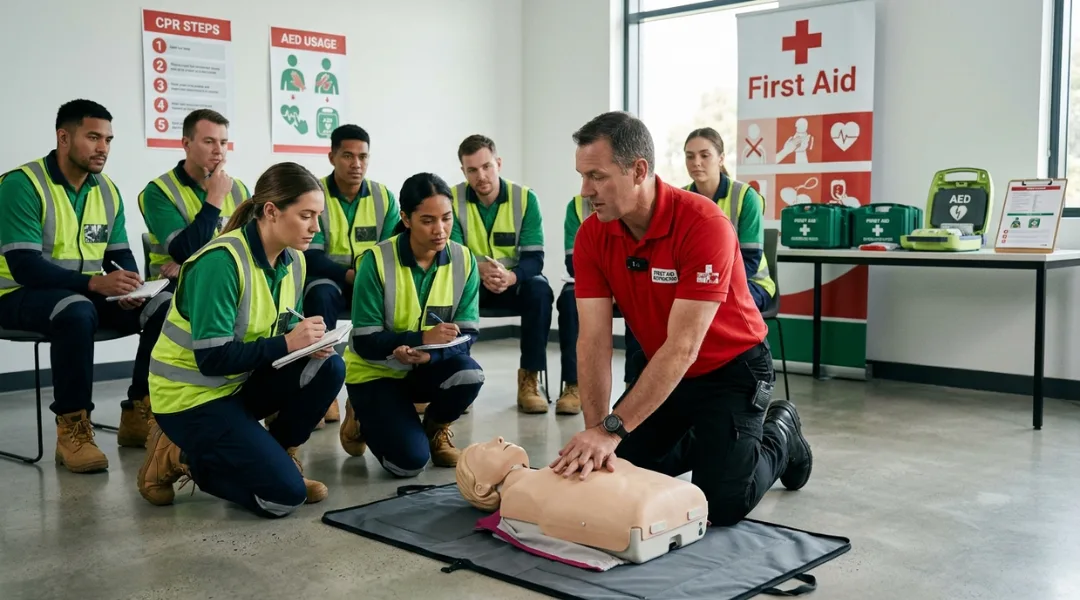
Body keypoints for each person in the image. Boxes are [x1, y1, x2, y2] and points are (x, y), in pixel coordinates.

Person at [551, 111, 812, 527]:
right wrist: (598, 433)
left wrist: (611, 430)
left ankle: (781, 430)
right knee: (620, 469)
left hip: (732, 369)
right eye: (583, 177)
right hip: (666, 372)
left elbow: (684, 346)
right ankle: (712, 441)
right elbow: (595, 341)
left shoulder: (704, 224)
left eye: (597, 176)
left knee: (721, 506)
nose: (586, 191)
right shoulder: (593, 235)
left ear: (638, 171)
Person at [136, 162, 345, 517]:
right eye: (306, 215)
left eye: (318, 216)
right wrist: (288, 344)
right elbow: (212, 359)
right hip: (190, 400)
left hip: (237, 386)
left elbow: (275, 334)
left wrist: (306, 346)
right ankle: (180, 455)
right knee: (282, 499)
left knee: (327, 366)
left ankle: (275, 459)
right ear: (270, 211)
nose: (315, 227)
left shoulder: (294, 260)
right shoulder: (220, 262)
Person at [0, 99, 168, 470]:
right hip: (14, 295)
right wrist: (95, 284)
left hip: (81, 293)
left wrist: (127, 286)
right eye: (93, 137)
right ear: (64, 137)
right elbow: (25, 267)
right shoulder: (21, 185)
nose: (103, 148)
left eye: (108, 139)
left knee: (164, 304)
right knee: (75, 311)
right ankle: (73, 429)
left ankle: (138, 412)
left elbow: (120, 254)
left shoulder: (106, 190)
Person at [338, 173, 483, 477]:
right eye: (428, 220)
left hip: (424, 369)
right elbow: (364, 341)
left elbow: (468, 333)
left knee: (470, 373)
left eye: (446, 218)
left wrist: (432, 355)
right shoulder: (375, 261)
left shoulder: (464, 260)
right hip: (376, 372)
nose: (440, 230)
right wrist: (417, 339)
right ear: (405, 218)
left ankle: (435, 429)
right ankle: (361, 414)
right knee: (407, 465)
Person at [457, 436, 707, 568]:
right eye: (483, 450)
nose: (498, 439)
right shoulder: (516, 498)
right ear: (481, 489)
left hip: (653, 509)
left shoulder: (540, 476)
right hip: (642, 515)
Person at [303, 124, 399, 424]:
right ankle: (324, 390)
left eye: (363, 156)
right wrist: (348, 275)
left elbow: (393, 249)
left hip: (370, 280)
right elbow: (312, 255)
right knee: (320, 294)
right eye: (348, 155)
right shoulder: (314, 193)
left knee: (398, 295)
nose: (356, 164)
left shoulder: (384, 197)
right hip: (329, 278)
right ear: (331, 156)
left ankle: (391, 385)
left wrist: (366, 276)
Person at [450, 135, 552, 414]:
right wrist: (478, 270)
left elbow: (534, 258)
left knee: (540, 289)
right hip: (471, 283)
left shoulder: (525, 199)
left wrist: (511, 277)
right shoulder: (451, 199)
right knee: (446, 285)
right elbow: (453, 254)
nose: (480, 176)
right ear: (463, 171)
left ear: (498, 163)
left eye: (486, 167)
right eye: (472, 170)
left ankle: (530, 379)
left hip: (513, 283)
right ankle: (458, 380)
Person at [138, 109, 250, 282]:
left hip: (225, 278)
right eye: (209, 141)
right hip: (173, 286)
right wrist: (215, 198)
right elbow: (183, 251)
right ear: (186, 144)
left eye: (223, 142)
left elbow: (252, 245)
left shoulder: (239, 189)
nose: (218, 150)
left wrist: (189, 261)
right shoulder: (159, 191)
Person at [556, 194, 645, 410]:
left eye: (596, 175)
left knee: (641, 299)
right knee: (568, 299)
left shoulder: (637, 205)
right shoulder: (576, 206)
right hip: (596, 281)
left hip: (631, 280)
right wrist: (606, 287)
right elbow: (573, 260)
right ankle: (573, 384)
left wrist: (619, 285)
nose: (587, 187)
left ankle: (634, 386)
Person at [683, 127, 775, 312]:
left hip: (751, 283)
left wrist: (713, 286)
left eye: (705, 155)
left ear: (721, 158)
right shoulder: (680, 198)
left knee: (714, 307)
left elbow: (750, 259)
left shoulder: (746, 196)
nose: (696, 162)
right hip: (699, 282)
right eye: (690, 156)